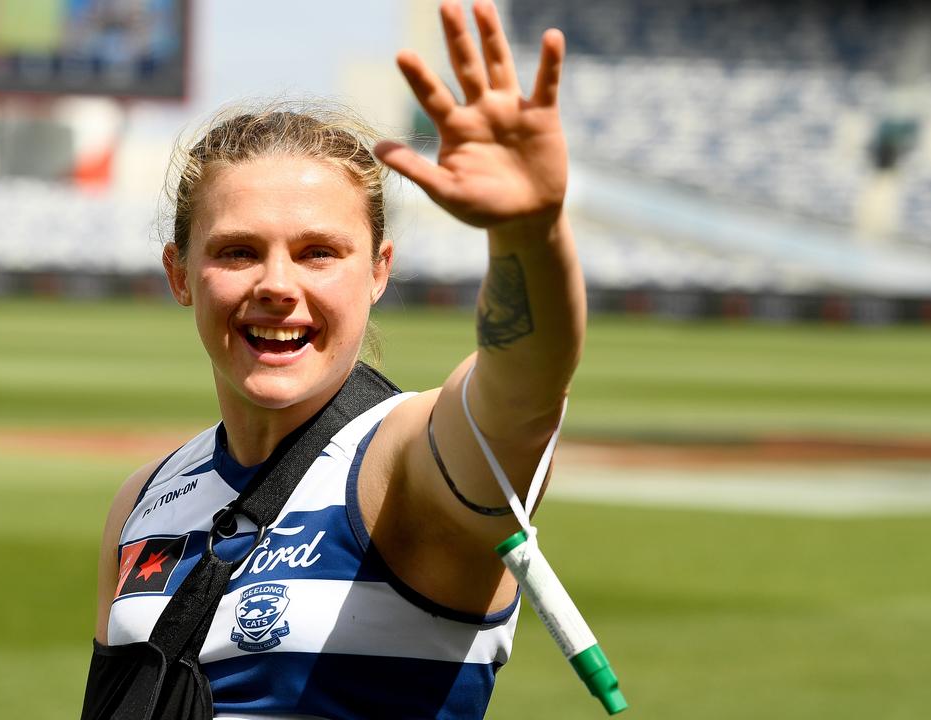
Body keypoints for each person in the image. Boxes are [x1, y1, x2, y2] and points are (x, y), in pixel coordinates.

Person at [92, 1, 583, 716]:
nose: (278, 286)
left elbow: (525, 386)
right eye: (238, 251)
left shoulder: (406, 465)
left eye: (319, 252)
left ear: (379, 270)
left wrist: (530, 237)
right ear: (179, 273)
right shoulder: (143, 500)